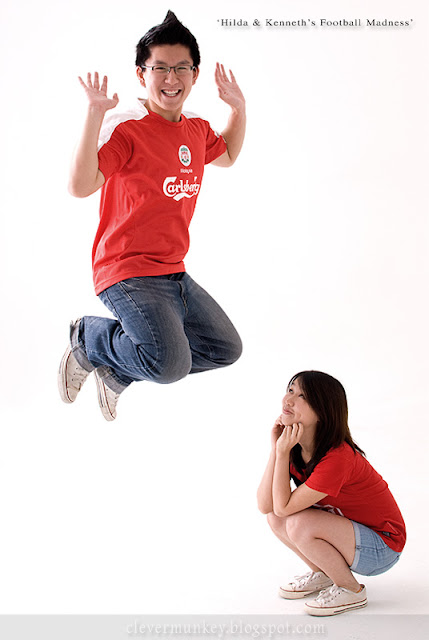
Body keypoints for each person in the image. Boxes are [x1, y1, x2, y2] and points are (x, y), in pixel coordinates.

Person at [58, 11, 246, 420]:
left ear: (195, 75)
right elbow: (80, 185)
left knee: (224, 348)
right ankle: (89, 338)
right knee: (168, 364)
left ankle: (117, 371)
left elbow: (228, 154)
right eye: (160, 68)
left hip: (173, 271)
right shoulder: (128, 129)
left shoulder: (196, 129)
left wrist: (238, 108)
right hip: (126, 269)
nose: (170, 78)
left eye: (181, 68)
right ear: (141, 74)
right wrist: (94, 114)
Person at [257, 371, 406, 616]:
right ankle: (325, 574)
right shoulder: (295, 449)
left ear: (322, 412)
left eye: (302, 396)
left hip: (383, 546)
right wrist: (277, 449)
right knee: (276, 518)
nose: (288, 400)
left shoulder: (338, 457)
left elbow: (284, 507)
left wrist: (282, 452)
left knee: (297, 522)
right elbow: (267, 506)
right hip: (349, 536)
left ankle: (351, 590)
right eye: (290, 390)